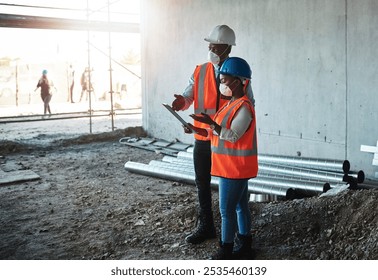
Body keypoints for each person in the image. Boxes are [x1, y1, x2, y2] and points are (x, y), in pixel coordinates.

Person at [171, 25, 255, 245]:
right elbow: (188, 95)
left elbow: (248, 106)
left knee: (233, 194)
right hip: (202, 138)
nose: (211, 49)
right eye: (209, 45)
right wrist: (182, 102)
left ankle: (237, 235)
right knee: (202, 183)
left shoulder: (237, 73)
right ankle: (206, 225)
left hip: (226, 142)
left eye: (215, 46)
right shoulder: (200, 71)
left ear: (227, 48)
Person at [188, 57, 258, 260]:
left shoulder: (244, 107)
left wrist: (213, 125)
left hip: (233, 169)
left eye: (225, 79)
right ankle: (245, 245)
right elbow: (218, 131)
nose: (222, 83)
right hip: (231, 168)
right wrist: (198, 127)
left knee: (226, 211)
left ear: (239, 81)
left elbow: (233, 135)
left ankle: (225, 250)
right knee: (240, 207)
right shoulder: (230, 104)